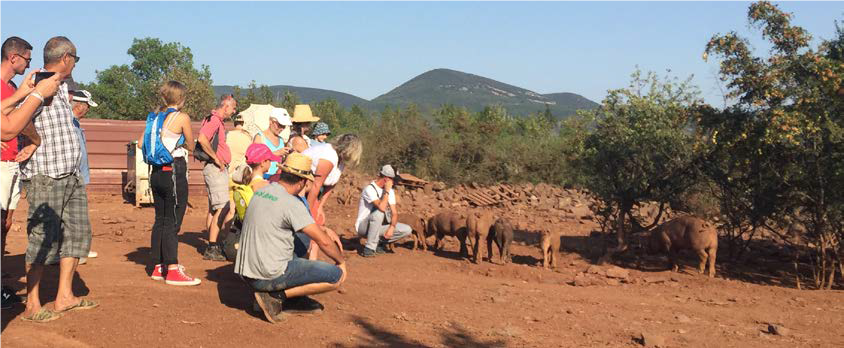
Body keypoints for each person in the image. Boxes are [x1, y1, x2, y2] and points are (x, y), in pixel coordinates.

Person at [19, 36, 98, 323]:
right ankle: (32, 304)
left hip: (70, 174)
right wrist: (35, 140)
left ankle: (64, 296)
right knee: (43, 237)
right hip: (47, 174)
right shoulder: (39, 84)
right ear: (66, 58)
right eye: (74, 59)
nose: (75, 64)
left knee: (77, 234)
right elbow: (21, 118)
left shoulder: (62, 86)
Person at [235, 152, 347, 323]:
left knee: (303, 239)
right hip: (266, 276)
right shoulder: (292, 203)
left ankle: (287, 296)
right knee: (335, 277)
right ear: (302, 182)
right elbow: (323, 241)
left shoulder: (262, 190)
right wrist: (341, 261)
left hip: (247, 271)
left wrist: (322, 229)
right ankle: (276, 296)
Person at [137, 81, 198, 285]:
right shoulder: (182, 117)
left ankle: (158, 266)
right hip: (173, 172)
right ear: (181, 98)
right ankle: (172, 268)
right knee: (173, 221)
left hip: (155, 174)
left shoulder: (154, 118)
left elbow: (140, 144)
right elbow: (191, 145)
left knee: (160, 219)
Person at [197, 95, 236, 261]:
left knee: (215, 208)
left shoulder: (214, 119)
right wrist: (216, 159)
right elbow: (202, 139)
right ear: (225, 106)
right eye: (233, 108)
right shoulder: (214, 120)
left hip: (215, 168)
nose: (234, 111)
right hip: (215, 169)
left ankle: (213, 244)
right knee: (222, 207)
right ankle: (212, 247)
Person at [303, 134, 362, 226]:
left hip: (312, 190)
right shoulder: (329, 156)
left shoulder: (341, 161)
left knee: (319, 220)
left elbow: (331, 184)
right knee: (310, 222)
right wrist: (307, 211)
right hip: (301, 186)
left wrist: (320, 207)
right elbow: (316, 185)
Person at [355, 165, 413, 257]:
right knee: (379, 213)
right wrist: (386, 191)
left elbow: (394, 213)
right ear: (387, 179)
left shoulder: (391, 191)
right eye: (393, 180)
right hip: (364, 228)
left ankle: (378, 243)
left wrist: (392, 228)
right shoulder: (370, 189)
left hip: (378, 226)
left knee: (406, 229)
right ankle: (369, 248)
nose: (394, 183)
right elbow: (382, 207)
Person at [69, 90, 99, 264]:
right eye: (87, 106)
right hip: (72, 176)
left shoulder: (76, 123)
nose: (87, 110)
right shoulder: (69, 123)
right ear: (80, 106)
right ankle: (74, 253)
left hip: (78, 176)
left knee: (77, 215)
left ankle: (78, 250)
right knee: (73, 216)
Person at [252, 107, 292, 179]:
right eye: (279, 125)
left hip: (277, 177)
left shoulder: (281, 140)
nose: (281, 129)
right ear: (271, 121)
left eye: (284, 126)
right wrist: (276, 153)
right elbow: (255, 159)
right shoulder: (260, 137)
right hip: (262, 177)